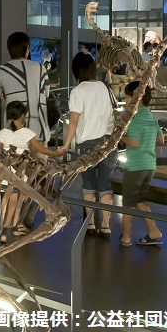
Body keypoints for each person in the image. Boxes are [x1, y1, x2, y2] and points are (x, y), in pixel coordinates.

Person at [50, 52, 118, 236]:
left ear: (76, 70)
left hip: (88, 145)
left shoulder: (78, 91)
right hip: (109, 143)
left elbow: (73, 121)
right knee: (105, 183)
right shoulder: (105, 88)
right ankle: (105, 225)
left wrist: (66, 144)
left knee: (88, 184)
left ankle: (90, 224)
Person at [0, 100, 58, 243]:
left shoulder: (2, 133)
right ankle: (5, 231)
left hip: (5, 173)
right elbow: (40, 149)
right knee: (15, 201)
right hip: (18, 174)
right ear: (23, 116)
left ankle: (15, 226)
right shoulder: (27, 133)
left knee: (12, 200)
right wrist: (57, 154)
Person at [119, 81, 164, 246]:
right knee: (139, 200)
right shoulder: (151, 117)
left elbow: (135, 143)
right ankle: (154, 231)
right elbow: (161, 140)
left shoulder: (136, 117)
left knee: (128, 203)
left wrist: (119, 137)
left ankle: (126, 237)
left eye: (127, 96)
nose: (125, 100)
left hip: (135, 166)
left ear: (136, 98)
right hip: (149, 165)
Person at [0, 32, 53, 140]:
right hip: (38, 130)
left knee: (14, 156)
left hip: (13, 132)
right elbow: (46, 93)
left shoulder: (1, 70)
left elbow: (1, 95)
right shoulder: (41, 68)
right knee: (39, 156)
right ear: (27, 49)